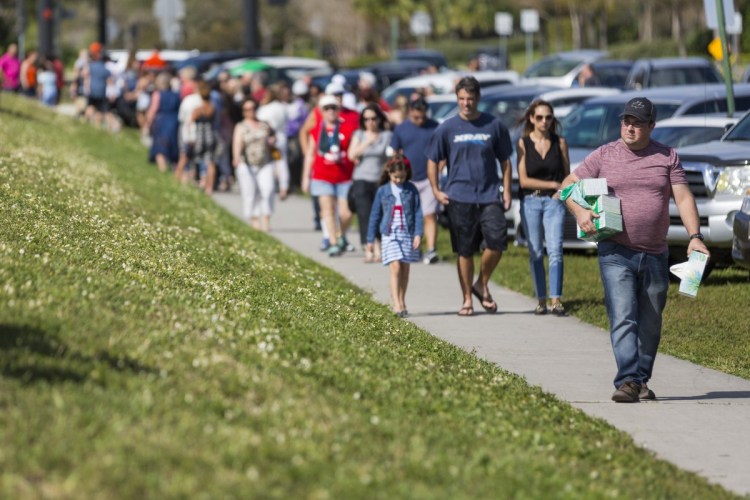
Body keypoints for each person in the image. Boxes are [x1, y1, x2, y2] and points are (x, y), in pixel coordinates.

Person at [560, 97, 709, 403]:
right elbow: (567, 185)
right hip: (616, 251)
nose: (629, 127)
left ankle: (640, 379)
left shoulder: (667, 156)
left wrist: (695, 236)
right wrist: (580, 212)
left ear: (651, 126)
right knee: (624, 315)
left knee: (651, 322)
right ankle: (628, 379)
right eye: (626, 121)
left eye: (637, 122)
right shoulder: (604, 154)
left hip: (655, 253)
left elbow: (682, 198)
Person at [426, 76, 513, 316]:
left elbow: (505, 161)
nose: (466, 103)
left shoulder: (493, 125)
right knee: (464, 250)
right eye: (462, 99)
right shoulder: (447, 128)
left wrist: (505, 190)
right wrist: (435, 189)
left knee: (496, 243)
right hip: (459, 196)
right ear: (457, 99)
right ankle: (467, 298)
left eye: (470, 99)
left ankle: (481, 283)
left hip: (489, 195)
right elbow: (433, 160)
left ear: (478, 99)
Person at [516, 99, 570, 316]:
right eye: (539, 117)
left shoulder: (561, 142)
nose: (544, 121)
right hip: (530, 201)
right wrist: (553, 184)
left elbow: (567, 176)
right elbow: (523, 181)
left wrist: (561, 190)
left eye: (548, 117)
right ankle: (541, 300)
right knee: (536, 252)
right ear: (531, 119)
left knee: (556, 251)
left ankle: (556, 300)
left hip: (553, 202)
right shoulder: (522, 143)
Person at [301, 93, 358, 256]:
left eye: (333, 107)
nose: (331, 111)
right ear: (322, 111)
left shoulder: (348, 127)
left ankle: (341, 235)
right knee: (327, 211)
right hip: (322, 176)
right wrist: (306, 177)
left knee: (346, 213)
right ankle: (333, 242)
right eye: (327, 108)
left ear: (338, 109)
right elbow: (311, 154)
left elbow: (353, 149)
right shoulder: (317, 129)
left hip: (345, 176)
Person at [366, 155, 423, 318]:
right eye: (395, 177)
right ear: (389, 173)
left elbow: (418, 212)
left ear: (407, 173)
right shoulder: (383, 191)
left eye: (402, 177)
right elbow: (375, 215)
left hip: (407, 233)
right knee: (395, 267)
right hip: (390, 234)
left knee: (405, 269)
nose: (399, 180)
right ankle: (396, 303)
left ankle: (402, 299)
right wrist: (370, 239)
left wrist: (418, 233)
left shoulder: (411, 189)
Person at [391, 97, 440, 264]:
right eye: (416, 117)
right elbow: (395, 152)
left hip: (429, 179)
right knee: (408, 215)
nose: (420, 120)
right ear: (411, 112)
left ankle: (431, 249)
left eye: (422, 117)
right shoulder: (401, 129)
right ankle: (413, 248)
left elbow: (442, 153)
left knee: (430, 214)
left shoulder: (434, 127)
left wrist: (438, 172)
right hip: (407, 178)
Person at [347, 103, 392, 263]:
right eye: (366, 119)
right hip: (361, 180)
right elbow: (351, 155)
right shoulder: (359, 134)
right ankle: (368, 249)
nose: (370, 122)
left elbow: (390, 157)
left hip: (379, 181)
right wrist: (368, 142)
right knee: (364, 215)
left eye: (374, 118)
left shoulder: (386, 135)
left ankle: (379, 248)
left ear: (379, 119)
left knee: (379, 215)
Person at [232, 97, 277, 232]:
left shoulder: (265, 124)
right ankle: (254, 219)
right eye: (247, 109)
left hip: (265, 162)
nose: (250, 111)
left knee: (268, 190)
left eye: (252, 108)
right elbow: (237, 143)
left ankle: (266, 219)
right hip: (247, 163)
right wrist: (236, 158)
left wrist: (272, 141)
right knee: (250, 192)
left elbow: (274, 137)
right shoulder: (241, 126)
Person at [146, 72, 180, 172]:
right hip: (174, 121)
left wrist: (148, 123)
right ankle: (174, 169)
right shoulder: (176, 95)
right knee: (172, 145)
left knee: (160, 146)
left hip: (162, 121)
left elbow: (153, 109)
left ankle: (163, 169)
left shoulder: (157, 94)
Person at [189, 81, 218, 195]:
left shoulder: (198, 109)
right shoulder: (212, 108)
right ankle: (209, 187)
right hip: (211, 136)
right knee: (210, 162)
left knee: (198, 159)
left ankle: (201, 180)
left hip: (200, 137)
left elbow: (190, 122)